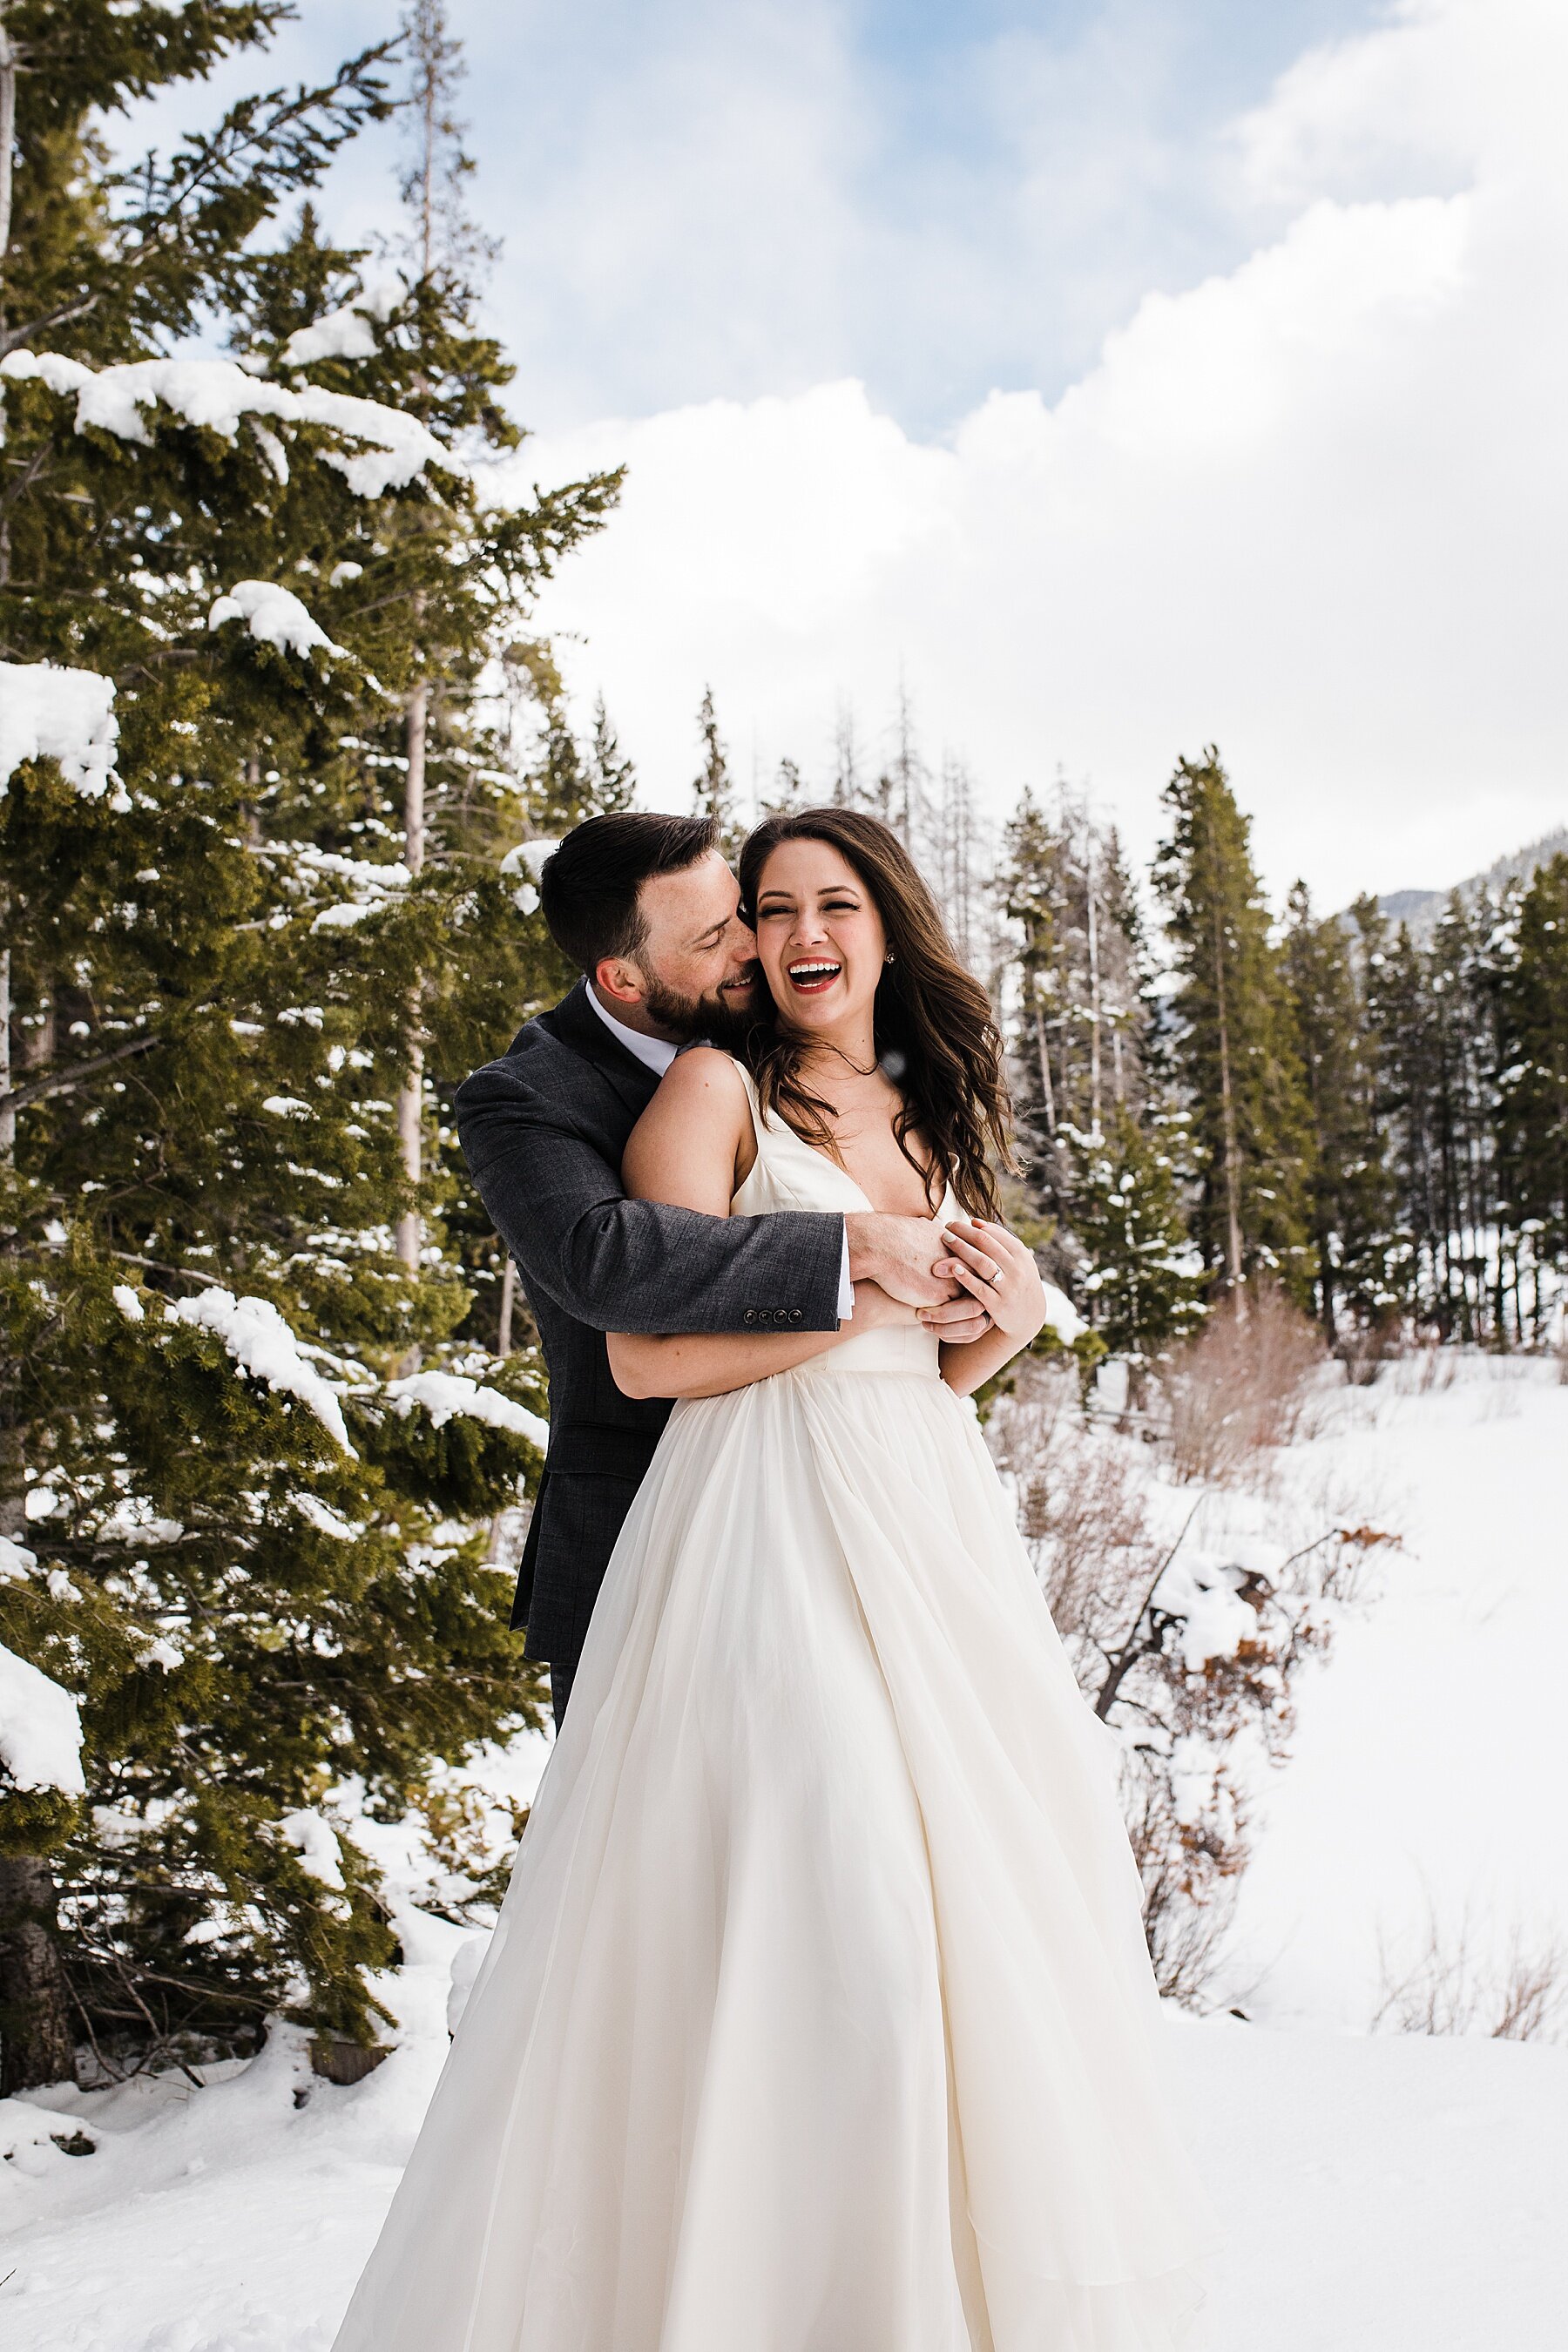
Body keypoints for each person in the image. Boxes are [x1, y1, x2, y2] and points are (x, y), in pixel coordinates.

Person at [335, 808, 1222, 2352]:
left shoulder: (926, 1104)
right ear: (636, 963)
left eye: (817, 909)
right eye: (746, 917)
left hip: (923, 1536)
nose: (772, 943)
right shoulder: (662, 1085)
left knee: (977, 1922)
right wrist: (858, 1266)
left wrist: (1002, 1308)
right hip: (726, 1537)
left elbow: (938, 1373)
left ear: (888, 924)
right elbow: (636, 1326)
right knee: (799, 1928)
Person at [454, 811, 991, 1728]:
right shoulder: (528, 1098)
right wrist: (856, 1248)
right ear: (623, 977)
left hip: (871, 1507)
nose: (757, 946)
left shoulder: (790, 1041)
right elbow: (606, 1260)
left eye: (744, 912)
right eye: (718, 937)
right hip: (645, 1523)